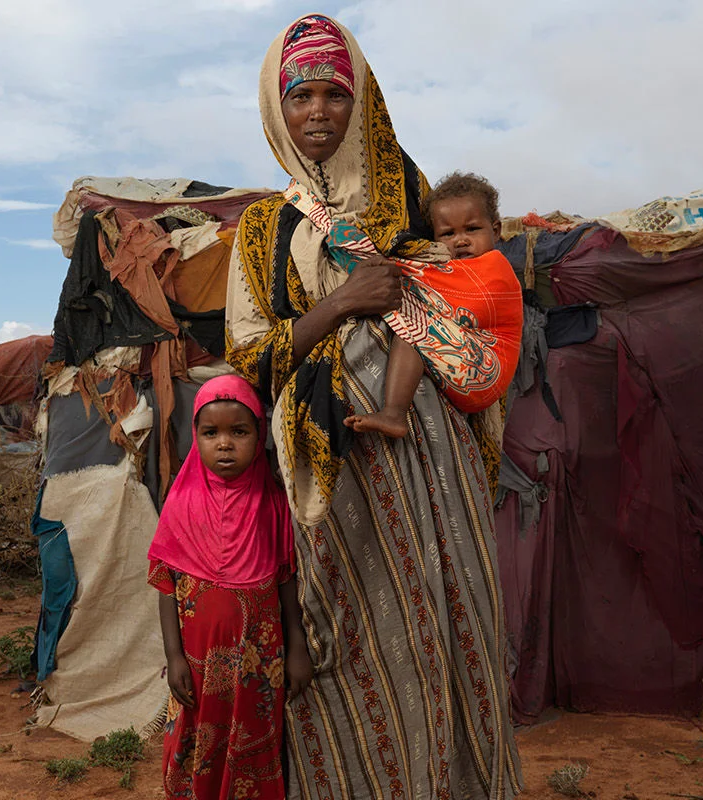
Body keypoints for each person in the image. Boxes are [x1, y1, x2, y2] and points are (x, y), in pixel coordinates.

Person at [225, 14, 522, 800]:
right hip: (332, 456)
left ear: (362, 105)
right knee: (350, 634)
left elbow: (467, 305)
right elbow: (248, 355)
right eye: (300, 97)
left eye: (333, 95)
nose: (317, 112)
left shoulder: (414, 199)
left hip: (429, 455)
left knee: (453, 617)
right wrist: (340, 304)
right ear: (275, 110)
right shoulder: (261, 228)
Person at [147, 374, 312, 800]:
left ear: (260, 437)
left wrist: (296, 647)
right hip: (198, 666)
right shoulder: (181, 502)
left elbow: (285, 581)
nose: (224, 443)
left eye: (238, 431)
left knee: (253, 741)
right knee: (196, 738)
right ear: (195, 438)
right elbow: (168, 585)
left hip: (257, 661)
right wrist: (173, 656)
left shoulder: (272, 501)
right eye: (211, 433)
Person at [343, 172, 522, 438]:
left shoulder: (496, 268)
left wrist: (389, 265)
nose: (461, 240)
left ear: (495, 230)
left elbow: (462, 300)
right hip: (464, 371)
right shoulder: (453, 268)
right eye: (448, 234)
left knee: (415, 328)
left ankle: (393, 414)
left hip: (486, 369)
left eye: (472, 229)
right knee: (410, 335)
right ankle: (394, 413)